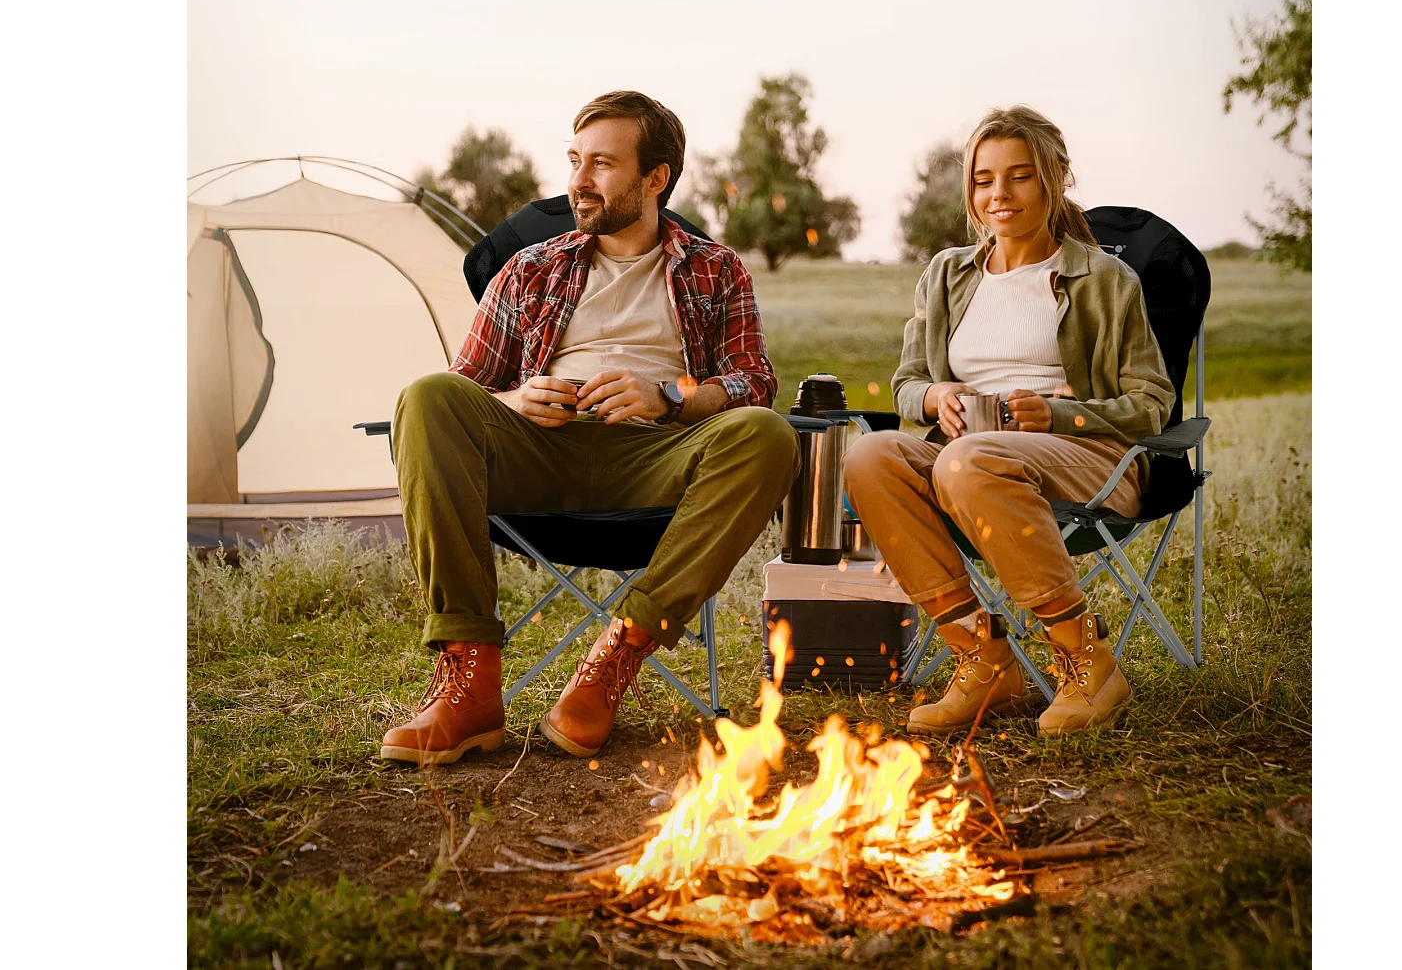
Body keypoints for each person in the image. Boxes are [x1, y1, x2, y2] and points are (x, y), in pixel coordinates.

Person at [381, 91, 800, 766]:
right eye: (575, 160)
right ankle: (469, 681)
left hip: (659, 457)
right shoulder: (531, 267)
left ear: (656, 177)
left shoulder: (716, 269)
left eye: (602, 163)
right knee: (427, 397)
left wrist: (669, 396)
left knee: (767, 434)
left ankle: (617, 655)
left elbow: (753, 382)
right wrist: (515, 400)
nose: (578, 180)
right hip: (539, 451)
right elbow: (466, 385)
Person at [843, 106, 1174, 737]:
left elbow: (1151, 401)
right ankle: (984, 661)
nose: (1000, 193)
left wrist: (1056, 413)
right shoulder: (946, 274)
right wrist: (935, 397)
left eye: (1020, 176)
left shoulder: (1105, 280)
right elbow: (907, 383)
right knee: (870, 458)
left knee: (967, 460)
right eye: (984, 179)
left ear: (1054, 179)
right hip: (966, 460)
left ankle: (1089, 663)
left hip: (1088, 460)